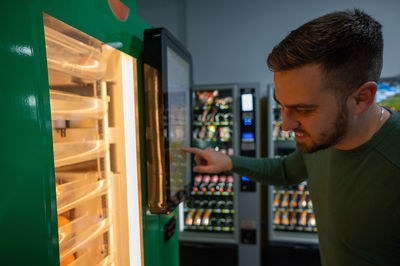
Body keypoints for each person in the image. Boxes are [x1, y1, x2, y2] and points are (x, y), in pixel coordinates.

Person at [182, 8, 400, 266]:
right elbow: (286, 170)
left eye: (304, 109)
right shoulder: (323, 139)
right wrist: (230, 163)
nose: (286, 125)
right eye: (282, 105)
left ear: (361, 98)